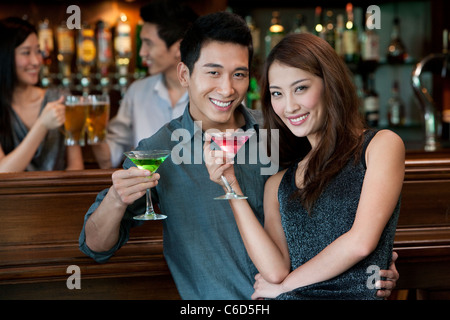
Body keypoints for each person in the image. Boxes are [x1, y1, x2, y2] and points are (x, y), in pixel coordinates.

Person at [79, 12, 398, 300]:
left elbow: (338, 204)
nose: (227, 88)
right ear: (184, 74)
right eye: (213, 72)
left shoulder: (284, 130)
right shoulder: (159, 148)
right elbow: (94, 246)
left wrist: (371, 268)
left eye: (239, 74)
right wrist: (116, 201)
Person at [204, 33, 404, 300]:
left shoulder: (381, 146)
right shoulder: (278, 183)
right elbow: (274, 272)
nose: (289, 106)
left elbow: (361, 243)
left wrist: (286, 287)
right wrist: (230, 183)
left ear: (329, 83)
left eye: (300, 88)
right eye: (277, 93)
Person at [92, 0, 198, 168]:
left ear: (180, 47)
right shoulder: (137, 92)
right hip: (148, 191)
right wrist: (91, 128)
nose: (142, 53)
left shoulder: (215, 93)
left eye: (149, 43)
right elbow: (108, 159)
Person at [0, 17, 83, 172]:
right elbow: (2, 173)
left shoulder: (60, 98)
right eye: (26, 52)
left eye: (38, 51)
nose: (37, 61)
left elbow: (76, 166)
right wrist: (42, 125)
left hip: (59, 195)